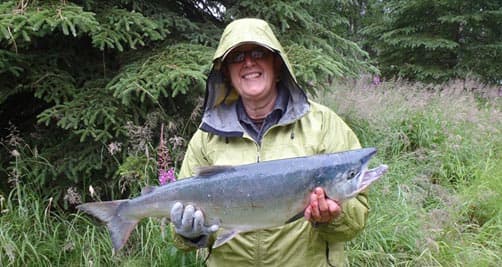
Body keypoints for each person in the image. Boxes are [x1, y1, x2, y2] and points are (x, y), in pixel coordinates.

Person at [169, 18, 369, 267]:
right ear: (227, 73)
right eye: (237, 57)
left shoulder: (324, 124)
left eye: (258, 53)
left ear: (277, 63)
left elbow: (356, 222)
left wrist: (334, 217)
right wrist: (190, 233)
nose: (249, 62)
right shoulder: (206, 136)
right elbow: (182, 236)